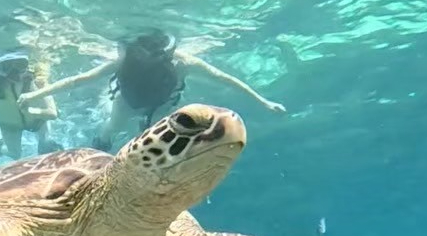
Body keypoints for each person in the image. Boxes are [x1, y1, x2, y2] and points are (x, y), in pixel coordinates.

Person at [18, 28, 287, 150]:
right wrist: (264, 102)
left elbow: (80, 80)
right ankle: (98, 159)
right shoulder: (183, 62)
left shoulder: (137, 61)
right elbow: (226, 79)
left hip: (135, 104)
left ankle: (108, 152)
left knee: (120, 132)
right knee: (120, 132)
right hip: (150, 104)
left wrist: (264, 102)